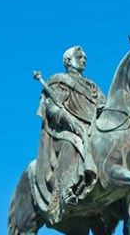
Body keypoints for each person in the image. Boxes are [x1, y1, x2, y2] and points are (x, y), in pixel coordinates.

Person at [34, 46, 106, 224]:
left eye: (85, 57)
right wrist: (69, 120)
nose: (84, 59)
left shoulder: (92, 86)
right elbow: (51, 107)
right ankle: (66, 190)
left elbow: (104, 108)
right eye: (79, 56)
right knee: (73, 144)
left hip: (92, 127)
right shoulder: (58, 81)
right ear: (67, 61)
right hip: (65, 130)